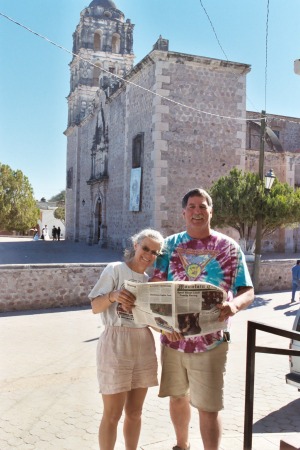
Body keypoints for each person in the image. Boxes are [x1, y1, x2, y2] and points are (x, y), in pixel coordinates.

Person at [151, 188, 254, 450]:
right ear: (184, 212)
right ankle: (181, 445)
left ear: (211, 211)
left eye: (202, 206)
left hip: (211, 342)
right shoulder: (169, 247)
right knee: (177, 398)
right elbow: (154, 288)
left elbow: (247, 290)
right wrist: (162, 325)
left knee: (208, 407)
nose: (197, 212)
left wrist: (233, 306)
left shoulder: (228, 248)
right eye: (192, 207)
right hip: (173, 340)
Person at [89, 228, 165, 450]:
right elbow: (95, 306)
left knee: (135, 412)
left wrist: (168, 329)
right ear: (135, 246)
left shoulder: (150, 281)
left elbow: (150, 320)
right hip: (116, 343)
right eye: (146, 248)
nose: (149, 255)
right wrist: (113, 295)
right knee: (112, 414)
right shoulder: (115, 270)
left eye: (154, 252)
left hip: (143, 343)